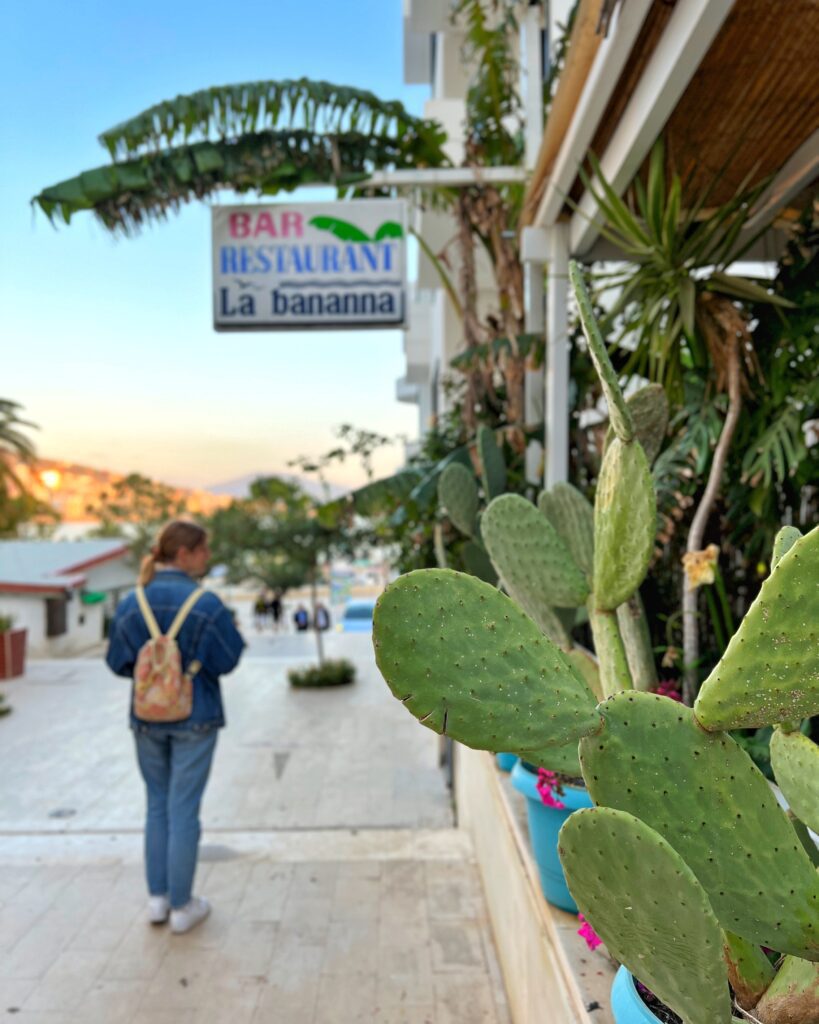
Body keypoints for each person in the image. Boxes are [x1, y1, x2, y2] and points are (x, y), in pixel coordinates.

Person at [106, 521, 245, 934]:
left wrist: (153, 676)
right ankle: (183, 907)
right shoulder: (207, 605)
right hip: (196, 716)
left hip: (147, 719)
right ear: (183, 554)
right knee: (184, 808)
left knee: (156, 804)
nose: (208, 558)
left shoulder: (134, 602)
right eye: (203, 551)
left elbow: (117, 662)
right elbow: (228, 659)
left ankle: (157, 900)